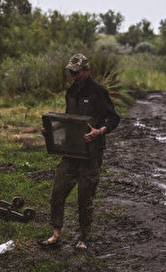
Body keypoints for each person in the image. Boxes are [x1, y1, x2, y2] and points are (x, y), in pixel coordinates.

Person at [40, 53, 120, 250]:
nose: (73, 76)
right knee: (58, 191)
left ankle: (83, 236)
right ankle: (56, 233)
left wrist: (99, 131)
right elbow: (69, 119)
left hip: (91, 153)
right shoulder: (71, 91)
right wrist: (52, 130)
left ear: (86, 70)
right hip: (71, 150)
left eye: (76, 72)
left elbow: (114, 118)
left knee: (85, 196)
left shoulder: (98, 91)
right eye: (71, 72)